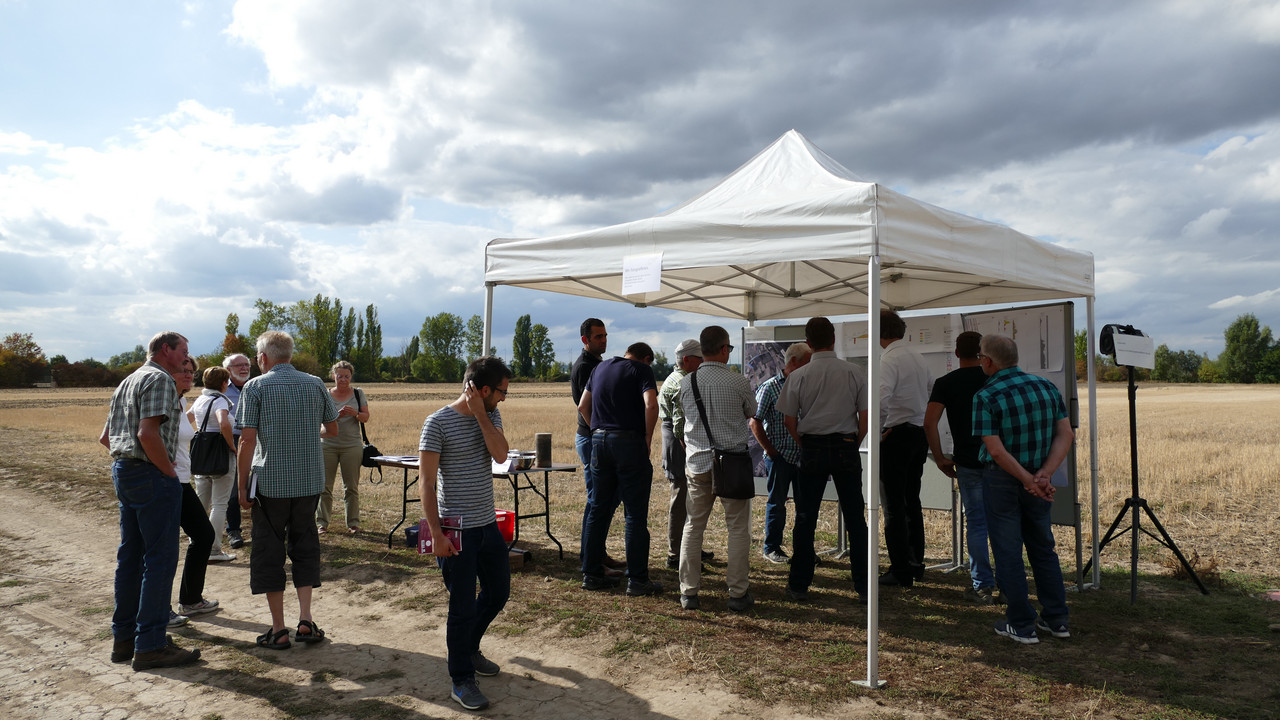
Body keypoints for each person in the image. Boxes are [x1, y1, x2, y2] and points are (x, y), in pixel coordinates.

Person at [98, 330, 201, 670]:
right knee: (159, 559)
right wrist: (168, 473)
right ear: (166, 350)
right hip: (150, 476)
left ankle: (125, 639)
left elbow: (106, 437)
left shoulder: (128, 380)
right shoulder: (159, 380)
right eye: (183, 351)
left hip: (124, 471)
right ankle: (152, 644)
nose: (187, 357)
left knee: (131, 557)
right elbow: (147, 433)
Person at [418, 357, 514, 711]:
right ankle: (461, 680)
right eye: (502, 392)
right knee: (460, 607)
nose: (505, 398)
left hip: (487, 526)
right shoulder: (437, 422)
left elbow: (501, 455)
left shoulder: (490, 416)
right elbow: (426, 484)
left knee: (498, 592)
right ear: (484, 389)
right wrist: (436, 533)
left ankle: (468, 649)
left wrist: (481, 415)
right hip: (455, 532)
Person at [236, 331, 339, 650]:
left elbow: (247, 440)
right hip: (309, 482)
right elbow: (331, 429)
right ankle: (306, 621)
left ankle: (279, 629)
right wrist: (308, 429)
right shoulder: (315, 383)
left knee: (269, 551)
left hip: (270, 484)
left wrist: (242, 487)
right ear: (289, 355)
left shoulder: (255, 387)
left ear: (264, 358)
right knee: (305, 545)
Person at [972, 334, 1074, 644]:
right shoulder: (1046, 387)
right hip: (1039, 480)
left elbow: (997, 451)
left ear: (988, 361)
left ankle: (1021, 624)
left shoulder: (985, 395)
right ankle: (1057, 619)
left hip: (1002, 480)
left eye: (980, 357)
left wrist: (1027, 480)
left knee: (1008, 553)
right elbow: (1066, 434)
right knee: (1043, 549)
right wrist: (1043, 475)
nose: (979, 361)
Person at [776, 317, 869, 601]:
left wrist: (803, 442)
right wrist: (854, 442)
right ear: (833, 339)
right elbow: (864, 419)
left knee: (806, 517)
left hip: (812, 447)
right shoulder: (855, 372)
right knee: (855, 517)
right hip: (845, 445)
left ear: (808, 342)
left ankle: (799, 584)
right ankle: (865, 586)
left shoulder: (798, 376)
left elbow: (789, 419)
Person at [677, 326, 757, 612]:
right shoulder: (739, 382)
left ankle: (689, 592)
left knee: (693, 526)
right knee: (737, 529)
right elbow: (752, 412)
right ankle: (737, 593)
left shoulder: (687, 383)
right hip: (732, 463)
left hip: (697, 463)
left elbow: (685, 418)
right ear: (724, 349)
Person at [577, 341, 662, 596]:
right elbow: (651, 404)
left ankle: (591, 573)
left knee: (599, 508)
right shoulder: (641, 370)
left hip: (599, 442)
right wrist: (646, 438)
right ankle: (637, 580)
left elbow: (583, 406)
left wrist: (597, 431)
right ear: (645, 358)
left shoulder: (600, 368)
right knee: (634, 513)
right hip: (629, 443)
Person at [924, 331, 996, 604]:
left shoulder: (946, 382)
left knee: (976, 524)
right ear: (983, 354)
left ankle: (982, 586)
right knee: (1002, 522)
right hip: (1000, 462)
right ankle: (1010, 583)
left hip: (966, 461)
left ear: (956, 354)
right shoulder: (994, 378)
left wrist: (941, 458)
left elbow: (929, 422)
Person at [878, 310, 932, 588]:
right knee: (912, 500)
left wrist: (876, 433)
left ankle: (900, 570)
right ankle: (915, 562)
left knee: (893, 504)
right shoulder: (917, 356)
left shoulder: (890, 358)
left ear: (880, 332)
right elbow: (930, 391)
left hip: (896, 435)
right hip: (918, 433)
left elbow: (881, 398)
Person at [749, 342, 812, 565]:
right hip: (780, 457)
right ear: (793, 362)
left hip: (804, 457)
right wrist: (770, 451)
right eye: (807, 362)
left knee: (806, 507)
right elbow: (754, 421)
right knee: (777, 504)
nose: (810, 366)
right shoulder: (770, 387)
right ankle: (771, 548)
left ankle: (804, 551)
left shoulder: (807, 385)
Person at [570, 318, 623, 577]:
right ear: (585, 340)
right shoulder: (585, 367)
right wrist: (598, 433)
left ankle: (597, 553)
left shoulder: (596, 364)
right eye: (598, 336)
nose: (603, 340)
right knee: (598, 501)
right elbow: (585, 405)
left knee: (606, 499)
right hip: (591, 439)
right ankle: (590, 559)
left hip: (594, 438)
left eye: (605, 335)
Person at [171, 357, 220, 624]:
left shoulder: (181, 401)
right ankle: (159, 611)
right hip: (166, 482)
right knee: (163, 547)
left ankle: (190, 600)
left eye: (192, 372)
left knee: (202, 535)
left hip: (179, 480)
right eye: (183, 370)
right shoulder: (164, 398)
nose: (189, 375)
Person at [658, 338, 711, 570]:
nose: (703, 363)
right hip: (680, 443)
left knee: (688, 499)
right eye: (701, 359)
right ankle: (675, 553)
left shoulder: (679, 377)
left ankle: (689, 548)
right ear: (687, 360)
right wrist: (691, 452)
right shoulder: (682, 382)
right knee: (681, 499)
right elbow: (680, 426)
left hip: (677, 440)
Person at [190, 365, 238, 562]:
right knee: (219, 504)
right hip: (220, 454)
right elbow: (224, 423)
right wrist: (231, 446)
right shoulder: (220, 401)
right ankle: (214, 549)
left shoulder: (200, 399)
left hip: (201, 454)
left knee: (202, 503)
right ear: (224, 384)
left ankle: (197, 543)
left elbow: (185, 420)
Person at [318, 360, 370, 534]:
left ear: (351, 377)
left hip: (352, 446)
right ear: (333, 376)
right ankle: (322, 523)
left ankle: (353, 523)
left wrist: (355, 413)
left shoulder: (358, 393)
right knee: (325, 487)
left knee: (351, 487)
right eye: (339, 376)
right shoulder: (325, 394)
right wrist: (336, 416)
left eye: (346, 376)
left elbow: (365, 417)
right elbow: (318, 420)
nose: (343, 379)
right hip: (328, 445)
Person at [222, 353, 252, 550]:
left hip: (258, 439)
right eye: (238, 365)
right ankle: (233, 530)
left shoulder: (258, 386)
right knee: (233, 488)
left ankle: (262, 529)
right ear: (228, 371)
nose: (244, 368)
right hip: (232, 440)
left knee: (261, 484)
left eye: (246, 364)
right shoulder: (222, 391)